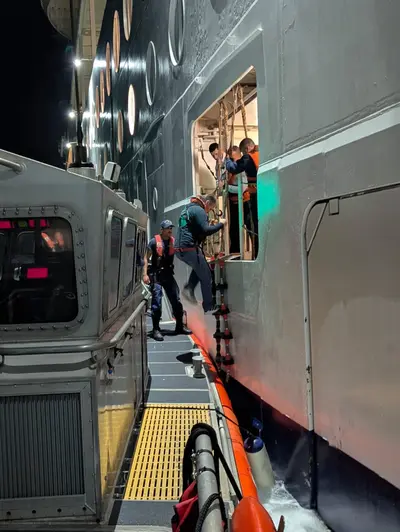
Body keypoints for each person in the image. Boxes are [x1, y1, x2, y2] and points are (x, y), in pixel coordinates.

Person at [175, 195, 227, 313]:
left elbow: (194, 228)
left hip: (180, 250)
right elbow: (205, 230)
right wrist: (221, 224)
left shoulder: (188, 208)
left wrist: (208, 223)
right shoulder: (200, 210)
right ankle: (208, 307)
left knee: (200, 268)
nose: (208, 211)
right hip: (189, 248)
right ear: (207, 202)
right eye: (210, 208)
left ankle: (190, 287)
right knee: (207, 276)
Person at [143, 220, 192, 342]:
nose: (170, 230)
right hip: (156, 275)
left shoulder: (173, 242)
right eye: (167, 228)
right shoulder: (154, 242)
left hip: (168, 274)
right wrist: (144, 274)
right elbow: (145, 257)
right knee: (157, 302)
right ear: (162, 230)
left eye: (171, 227)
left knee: (176, 299)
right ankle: (156, 329)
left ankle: (179, 326)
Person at [225, 138, 259, 257]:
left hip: (253, 196)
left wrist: (227, 160)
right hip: (261, 192)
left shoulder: (249, 157)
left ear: (246, 148)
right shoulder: (260, 153)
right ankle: (257, 253)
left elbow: (234, 168)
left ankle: (256, 252)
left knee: (254, 225)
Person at [226, 146, 250, 253]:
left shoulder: (241, 168)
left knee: (248, 228)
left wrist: (228, 188)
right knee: (234, 230)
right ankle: (235, 251)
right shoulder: (232, 169)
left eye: (231, 157)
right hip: (235, 203)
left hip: (244, 202)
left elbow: (243, 187)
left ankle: (253, 251)